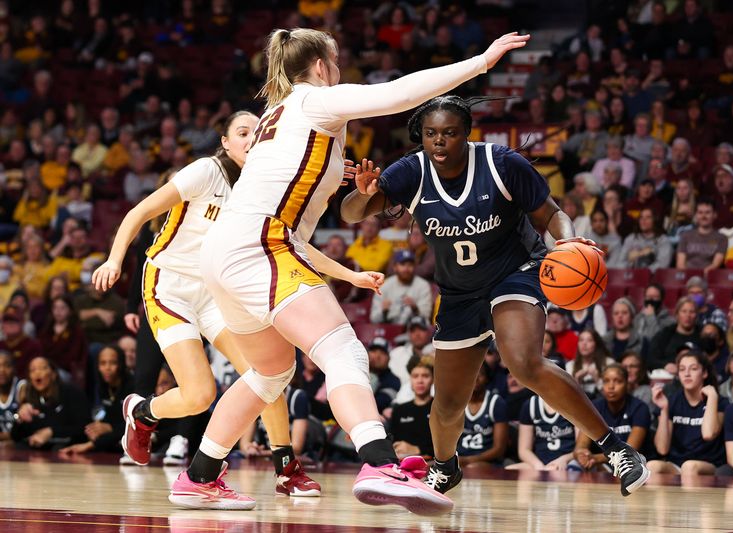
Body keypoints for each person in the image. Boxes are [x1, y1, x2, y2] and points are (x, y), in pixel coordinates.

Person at [171, 28, 533, 514]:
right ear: (321, 66)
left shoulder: (273, 115)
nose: (338, 71)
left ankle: (199, 476)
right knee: (343, 349)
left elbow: (285, 175)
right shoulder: (314, 99)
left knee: (271, 371)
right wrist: (481, 62)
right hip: (261, 243)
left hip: (225, 252)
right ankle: (380, 460)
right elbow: (399, 93)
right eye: (335, 62)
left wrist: (335, 174)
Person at [342, 95, 649, 497]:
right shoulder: (412, 171)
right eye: (431, 134)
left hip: (515, 273)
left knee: (523, 362)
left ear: (467, 134)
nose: (439, 142)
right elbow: (350, 213)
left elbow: (551, 214)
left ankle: (616, 449)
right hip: (458, 294)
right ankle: (445, 466)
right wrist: (364, 194)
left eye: (449, 133)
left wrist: (567, 240)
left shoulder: (502, 163)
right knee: (447, 404)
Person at [92, 112, 343, 497]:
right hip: (169, 285)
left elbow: (297, 243)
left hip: (217, 290)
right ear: (225, 143)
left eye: (257, 133)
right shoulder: (205, 172)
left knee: (267, 373)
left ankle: (286, 468)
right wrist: (113, 259)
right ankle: (142, 413)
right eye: (242, 133)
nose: (250, 139)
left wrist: (349, 274)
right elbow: (139, 212)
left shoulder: (264, 188)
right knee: (200, 395)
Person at [647, 351, 727, 477]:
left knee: (689, 466)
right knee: (652, 466)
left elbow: (708, 434)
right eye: (682, 369)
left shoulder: (719, 401)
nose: (687, 374)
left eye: (693, 369)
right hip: (677, 464)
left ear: (704, 373)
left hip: (709, 465)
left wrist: (711, 397)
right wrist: (664, 409)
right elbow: (662, 449)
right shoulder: (671, 400)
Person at [571, 365, 650, 473]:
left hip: (631, 465)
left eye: (618, 381)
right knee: (573, 465)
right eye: (606, 381)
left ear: (627, 384)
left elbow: (630, 450)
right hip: (601, 466)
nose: (611, 386)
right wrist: (582, 454)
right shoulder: (594, 407)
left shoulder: (639, 408)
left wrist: (595, 458)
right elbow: (581, 444)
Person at [59, 345, 133, 455]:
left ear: (121, 364)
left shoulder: (133, 386)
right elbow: (111, 417)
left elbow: (134, 424)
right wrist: (96, 429)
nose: (107, 368)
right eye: (103, 363)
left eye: (112, 363)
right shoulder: (103, 386)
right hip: (115, 437)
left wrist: (109, 428)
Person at [10, 357, 91, 450]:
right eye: (32, 370)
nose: (37, 372)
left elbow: (84, 428)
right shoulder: (29, 399)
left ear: (53, 374)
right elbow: (16, 437)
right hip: (38, 453)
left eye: (42, 368)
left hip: (67, 448)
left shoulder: (72, 393)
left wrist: (51, 432)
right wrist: (19, 418)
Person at [456, 362, 508, 467]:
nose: (476, 377)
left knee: (471, 468)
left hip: (488, 461)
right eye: (471, 374)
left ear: (487, 378)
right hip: (459, 458)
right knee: (428, 467)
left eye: (480, 374)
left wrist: (468, 460)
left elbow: (499, 449)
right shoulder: (457, 402)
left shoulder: (496, 403)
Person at [507, 394, 576, 471]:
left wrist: (564, 460)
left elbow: (580, 449)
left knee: (555, 473)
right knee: (509, 470)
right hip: (539, 462)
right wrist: (539, 466)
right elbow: (524, 450)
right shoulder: (531, 405)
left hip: (566, 462)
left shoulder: (574, 404)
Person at [369, 249, 433, 325]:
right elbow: (373, 318)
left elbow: (426, 318)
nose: (406, 269)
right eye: (402, 264)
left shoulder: (423, 285)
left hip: (411, 330)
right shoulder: (384, 285)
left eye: (410, 265)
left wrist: (415, 308)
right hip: (389, 328)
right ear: (395, 267)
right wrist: (383, 311)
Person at [390, 355, 435, 459]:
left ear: (433, 379)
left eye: (425, 376)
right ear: (410, 379)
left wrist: (417, 449)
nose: (420, 381)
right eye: (415, 376)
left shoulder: (441, 410)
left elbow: (449, 447)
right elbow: (392, 443)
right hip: (401, 464)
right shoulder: (399, 411)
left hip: (432, 465)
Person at [648, 297, 702, 373]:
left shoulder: (702, 335)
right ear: (677, 314)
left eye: (692, 312)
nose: (688, 315)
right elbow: (651, 359)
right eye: (684, 311)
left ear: (696, 315)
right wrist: (665, 365)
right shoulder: (665, 334)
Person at [610, 207, 672, 272]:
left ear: (655, 220)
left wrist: (642, 273)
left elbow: (662, 265)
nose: (643, 220)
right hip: (630, 277)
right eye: (641, 217)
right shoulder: (631, 239)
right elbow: (620, 263)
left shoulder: (663, 240)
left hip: (653, 279)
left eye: (648, 217)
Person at [676, 198, 727, 273]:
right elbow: (680, 264)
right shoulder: (685, 236)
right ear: (696, 215)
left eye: (707, 212)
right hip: (687, 278)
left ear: (714, 215)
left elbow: (715, 265)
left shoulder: (721, 238)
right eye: (700, 212)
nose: (703, 216)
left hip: (709, 277)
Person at [566, 329, 616, 398]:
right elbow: (570, 398)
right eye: (581, 340)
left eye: (589, 340)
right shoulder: (570, 365)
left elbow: (613, 396)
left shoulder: (608, 362)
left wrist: (597, 380)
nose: (584, 344)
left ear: (596, 344)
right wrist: (577, 381)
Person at [0, 351, 23, 442]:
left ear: (14, 368)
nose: (2, 370)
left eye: (7, 365)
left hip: (20, 447)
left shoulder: (22, 387)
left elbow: (23, 434)